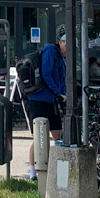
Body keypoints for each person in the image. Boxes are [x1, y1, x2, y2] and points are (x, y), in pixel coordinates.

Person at [26, 29, 66, 180]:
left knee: (59, 136)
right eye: (66, 44)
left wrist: (62, 95)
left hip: (52, 102)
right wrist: (58, 93)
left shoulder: (62, 58)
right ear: (60, 42)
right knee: (39, 137)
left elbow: (61, 80)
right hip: (38, 100)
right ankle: (32, 173)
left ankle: (58, 173)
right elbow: (46, 73)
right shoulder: (51, 49)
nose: (69, 49)